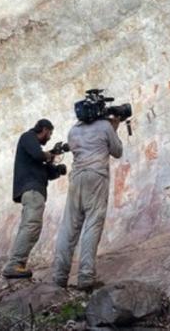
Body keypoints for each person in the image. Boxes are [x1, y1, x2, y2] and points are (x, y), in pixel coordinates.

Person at [52, 115, 123, 290]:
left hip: (76, 177)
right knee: (93, 223)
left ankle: (59, 276)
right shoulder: (105, 126)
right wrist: (114, 128)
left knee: (69, 226)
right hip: (96, 176)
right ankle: (85, 277)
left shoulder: (73, 130)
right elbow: (117, 151)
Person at [2, 119, 62, 279]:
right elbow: (38, 154)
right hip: (32, 190)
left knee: (30, 226)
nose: (49, 137)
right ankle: (14, 264)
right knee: (31, 225)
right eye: (49, 133)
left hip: (36, 190)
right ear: (43, 129)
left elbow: (49, 172)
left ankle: (18, 264)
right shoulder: (28, 137)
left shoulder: (36, 152)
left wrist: (57, 169)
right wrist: (50, 154)